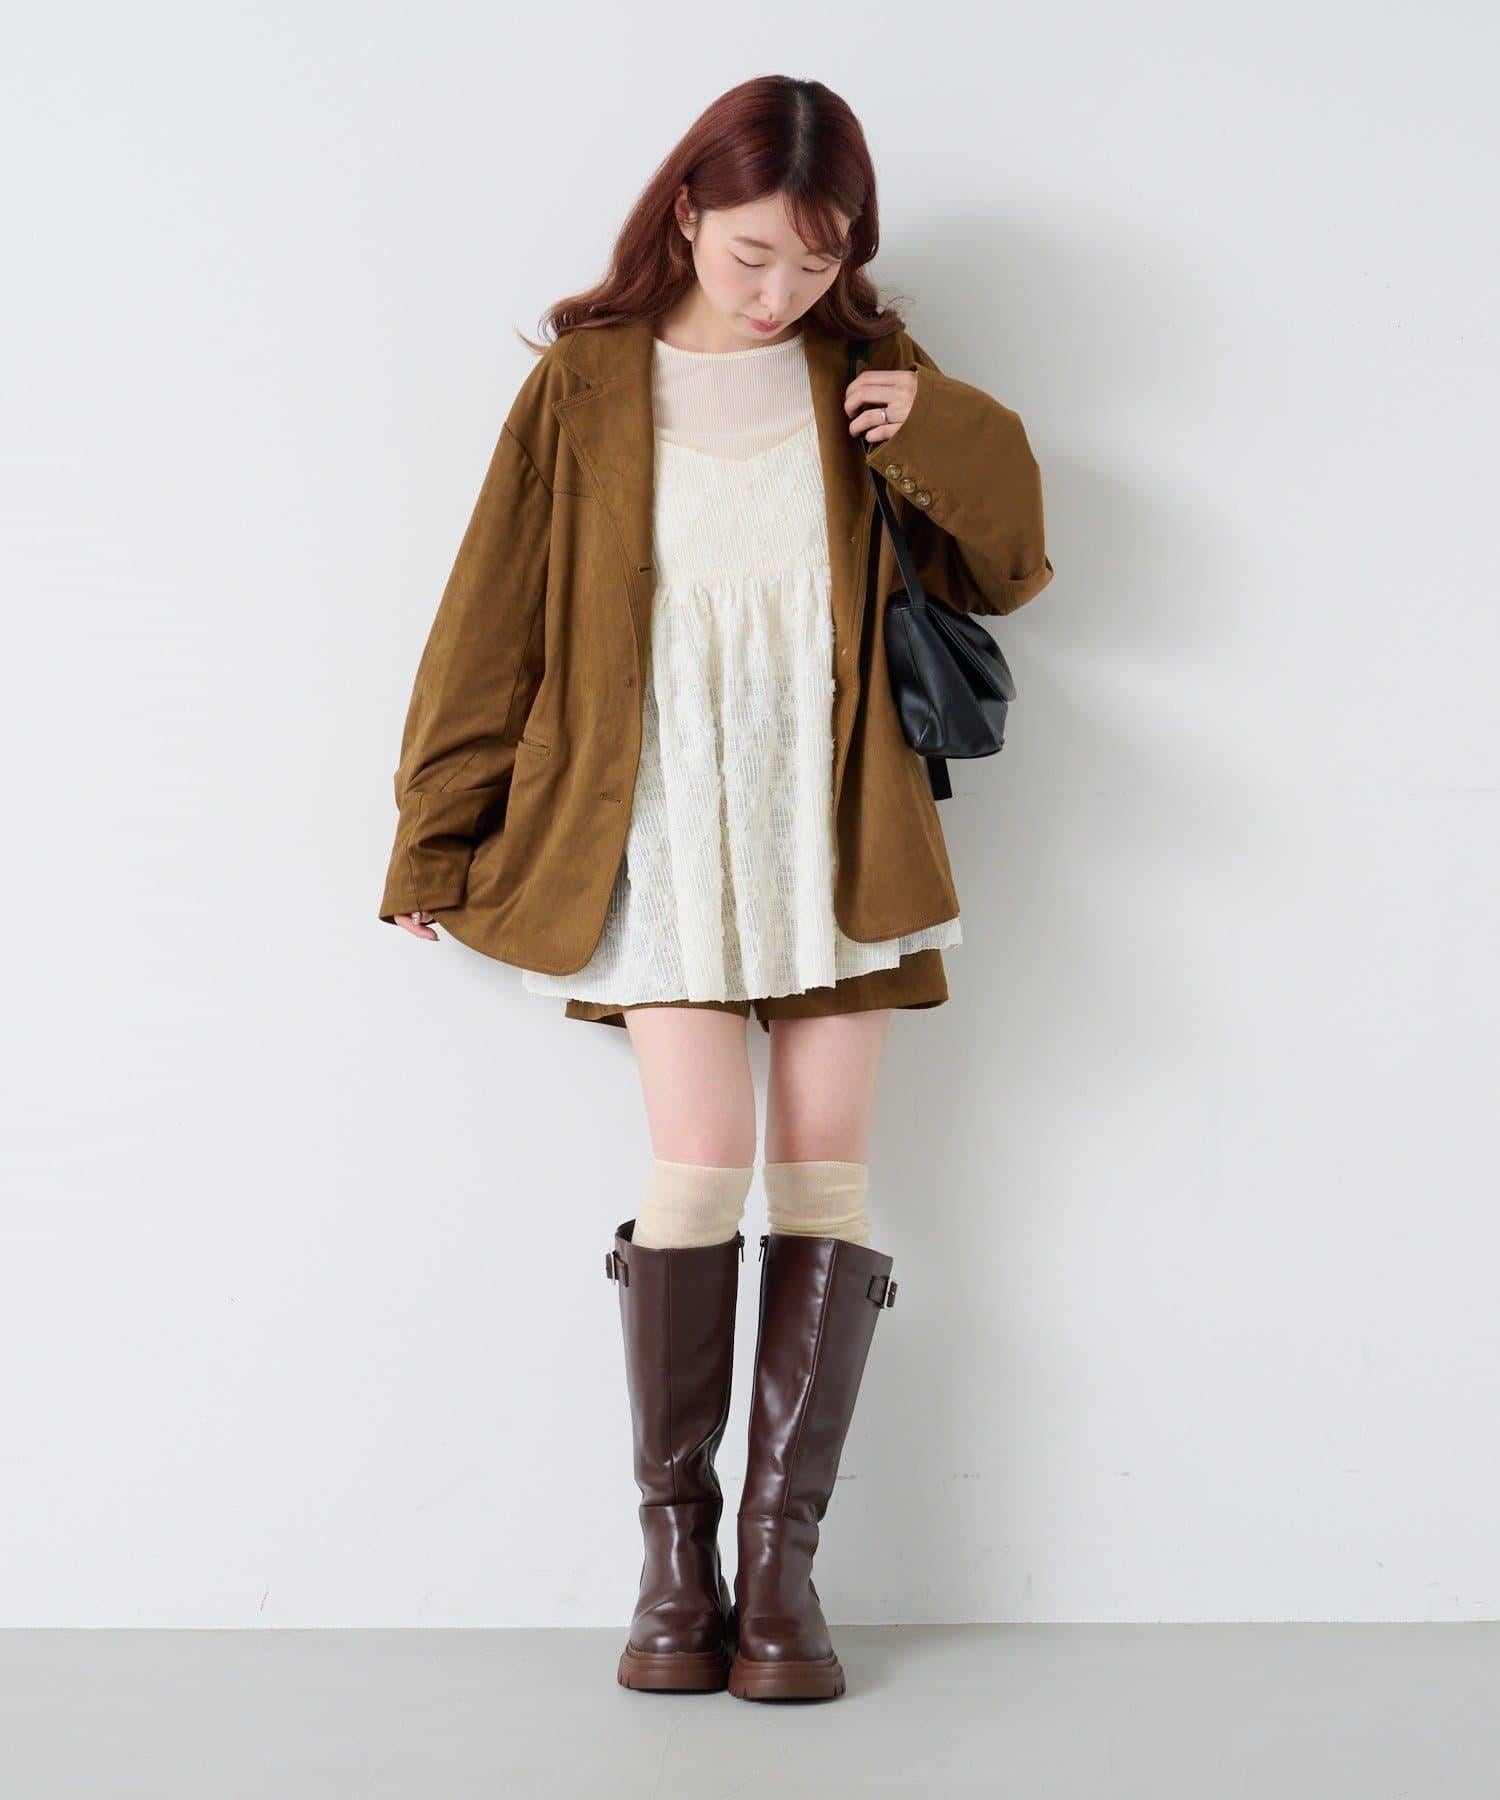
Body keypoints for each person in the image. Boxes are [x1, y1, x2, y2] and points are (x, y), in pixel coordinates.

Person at [378, 74, 1054, 1701]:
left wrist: (936, 425)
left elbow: (1011, 572)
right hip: (658, 817)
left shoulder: (870, 372)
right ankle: (675, 1568)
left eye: (817, 265)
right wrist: (436, 833)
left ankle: (781, 1571)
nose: (779, 294)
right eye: (755, 255)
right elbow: (491, 616)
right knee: (698, 1167)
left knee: (824, 1176)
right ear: (686, 212)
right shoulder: (585, 386)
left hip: (836, 819)